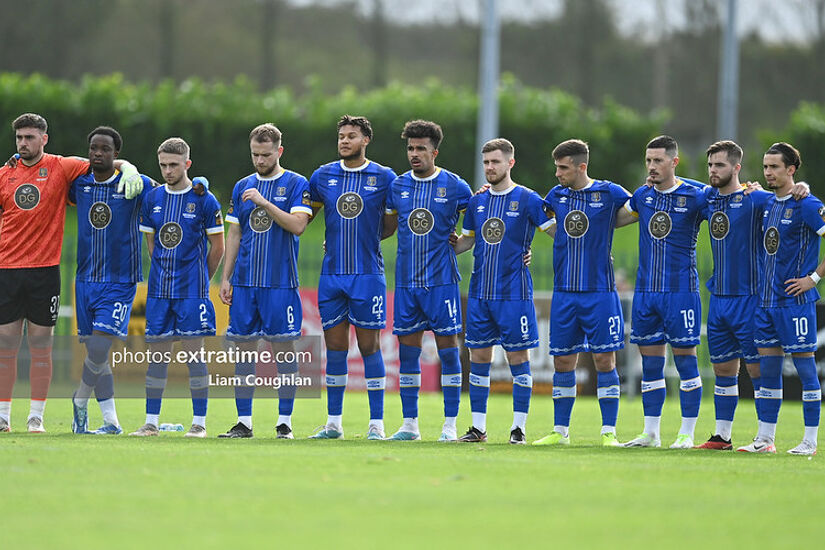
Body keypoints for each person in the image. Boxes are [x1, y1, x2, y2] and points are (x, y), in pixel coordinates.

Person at [0, 113, 141, 433]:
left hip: (46, 272)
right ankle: (3, 416)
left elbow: (104, 160)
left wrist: (129, 168)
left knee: (42, 347)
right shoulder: (4, 174)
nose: (24, 143)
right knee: (6, 347)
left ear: (44, 138)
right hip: (7, 270)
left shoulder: (63, 167)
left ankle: (36, 416)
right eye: (19, 138)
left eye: (30, 137)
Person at [532, 139, 632, 447]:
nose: (558, 173)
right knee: (563, 362)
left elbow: (642, 205)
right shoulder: (556, 195)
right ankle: (560, 431)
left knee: (605, 361)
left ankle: (608, 432)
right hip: (564, 294)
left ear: (581, 167)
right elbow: (531, 210)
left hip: (599, 293)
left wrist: (607, 228)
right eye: (557, 167)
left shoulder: (609, 192)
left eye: (564, 168)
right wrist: (552, 233)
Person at [453, 138, 554, 444]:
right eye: (485, 162)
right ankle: (478, 428)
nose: (489, 168)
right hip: (481, 293)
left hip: (514, 294)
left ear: (510, 163)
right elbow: (467, 241)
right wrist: (438, 244)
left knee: (518, 359)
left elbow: (554, 232)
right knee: (479, 357)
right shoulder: (476, 202)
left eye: (495, 162)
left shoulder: (527, 199)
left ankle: (518, 429)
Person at [218, 124, 311, 439]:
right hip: (245, 285)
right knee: (244, 353)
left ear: (279, 152)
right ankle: (243, 422)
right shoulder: (242, 186)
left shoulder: (296, 184)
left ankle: (284, 423)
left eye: (265, 154)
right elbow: (234, 233)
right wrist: (226, 276)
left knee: (284, 351)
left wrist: (265, 203)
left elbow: (298, 226)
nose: (259, 160)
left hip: (279, 285)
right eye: (255, 154)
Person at [307, 115, 397, 440]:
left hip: (368, 275)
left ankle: (376, 424)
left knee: (370, 345)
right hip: (331, 275)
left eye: (351, 136)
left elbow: (390, 224)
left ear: (366, 140)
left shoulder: (384, 177)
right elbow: (304, 216)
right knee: (334, 347)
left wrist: (364, 238)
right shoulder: (322, 176)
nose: (344, 141)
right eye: (341, 136)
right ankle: (333, 423)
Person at [383, 120, 471, 441]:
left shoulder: (455, 186)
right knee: (408, 353)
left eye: (421, 148)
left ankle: (450, 425)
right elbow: (387, 227)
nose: (414, 154)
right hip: (407, 284)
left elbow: (481, 220)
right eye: (410, 148)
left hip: (442, 283)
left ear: (435, 151)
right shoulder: (397, 186)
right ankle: (410, 425)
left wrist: (465, 241)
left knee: (448, 350)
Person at [131, 137, 224, 438]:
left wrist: (201, 278)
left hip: (192, 293)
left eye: (174, 164)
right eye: (163, 165)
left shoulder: (204, 200)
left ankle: (199, 423)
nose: (168, 170)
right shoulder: (152, 199)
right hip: (159, 292)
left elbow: (218, 247)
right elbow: (151, 245)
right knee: (157, 358)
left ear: (187, 164)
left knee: (194, 357)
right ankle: (151, 423)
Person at [621, 135, 708, 449]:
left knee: (686, 361)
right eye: (648, 160)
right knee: (651, 365)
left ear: (675, 162)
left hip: (680, 292)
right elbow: (609, 218)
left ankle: (687, 433)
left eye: (658, 160)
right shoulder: (643, 196)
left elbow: (729, 200)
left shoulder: (696, 196)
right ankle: (651, 433)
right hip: (646, 293)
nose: (651, 166)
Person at [738, 142, 823, 455]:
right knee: (769, 372)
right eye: (765, 167)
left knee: (806, 371)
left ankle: (810, 441)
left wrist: (812, 278)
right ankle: (765, 440)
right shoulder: (764, 201)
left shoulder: (808, 204)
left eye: (775, 167)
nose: (768, 172)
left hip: (795, 303)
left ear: (791, 169)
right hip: (766, 303)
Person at [69, 126, 155, 435]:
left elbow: (170, 191)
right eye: (93, 147)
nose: (97, 153)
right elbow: (54, 171)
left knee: (98, 348)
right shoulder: (79, 184)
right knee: (97, 352)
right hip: (85, 280)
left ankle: (80, 399)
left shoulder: (134, 184)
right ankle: (111, 422)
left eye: (105, 149)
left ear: (115, 154)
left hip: (120, 280)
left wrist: (130, 169)